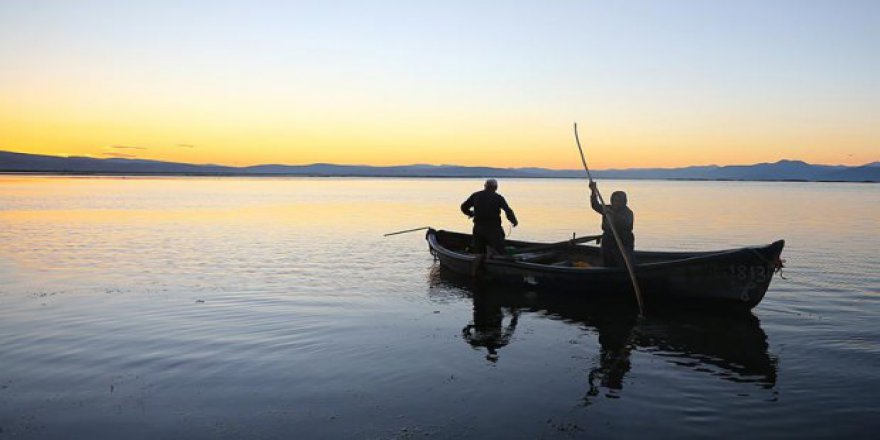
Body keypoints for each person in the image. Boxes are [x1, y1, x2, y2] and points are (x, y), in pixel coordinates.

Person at [461, 179, 518, 276]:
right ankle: (500, 272)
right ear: (495, 187)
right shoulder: (498, 197)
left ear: (485, 186)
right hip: (493, 229)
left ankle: (474, 275)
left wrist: (470, 213)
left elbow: (463, 207)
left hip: (478, 228)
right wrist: (514, 221)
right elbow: (507, 210)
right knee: (500, 250)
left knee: (479, 253)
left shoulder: (476, 195)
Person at [589, 181, 634, 267]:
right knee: (607, 259)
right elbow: (595, 205)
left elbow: (625, 223)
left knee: (622, 261)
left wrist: (613, 215)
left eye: (618, 201)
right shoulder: (607, 208)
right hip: (608, 239)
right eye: (614, 200)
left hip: (623, 240)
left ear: (624, 202)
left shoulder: (628, 213)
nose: (616, 203)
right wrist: (593, 191)